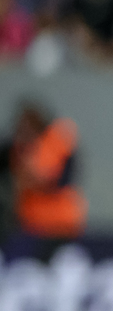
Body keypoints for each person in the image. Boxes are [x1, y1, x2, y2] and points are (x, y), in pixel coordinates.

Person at [2, 100, 86, 238]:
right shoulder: (15, 147)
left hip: (62, 222)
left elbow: (62, 178)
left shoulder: (57, 142)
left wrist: (37, 176)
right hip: (29, 222)